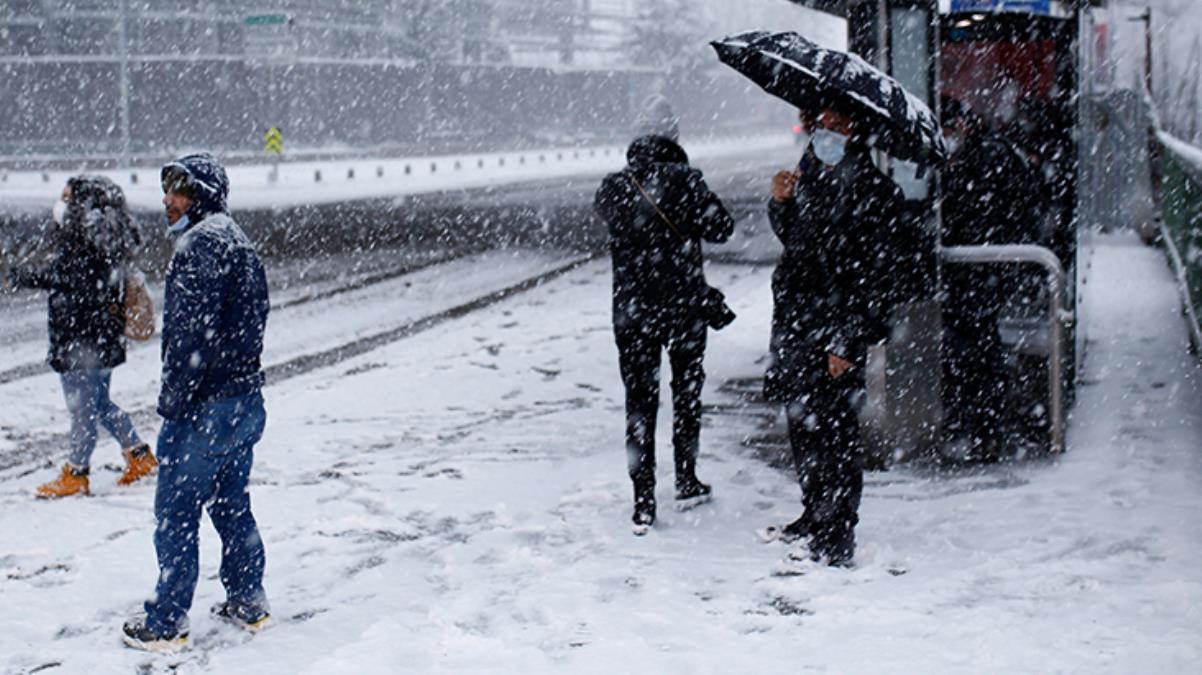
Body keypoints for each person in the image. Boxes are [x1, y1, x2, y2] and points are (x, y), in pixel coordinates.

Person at [123, 153, 271, 652]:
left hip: (205, 407)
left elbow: (189, 341)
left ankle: (166, 623)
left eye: (179, 191)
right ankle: (249, 600)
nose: (167, 200)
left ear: (202, 194)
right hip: (244, 400)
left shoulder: (199, 246)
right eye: (167, 189)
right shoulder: (237, 241)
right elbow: (251, 325)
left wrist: (175, 405)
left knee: (177, 513)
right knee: (231, 504)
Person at [763, 105, 906, 566]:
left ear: (855, 132)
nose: (828, 133)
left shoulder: (871, 188)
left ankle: (838, 532)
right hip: (798, 325)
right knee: (804, 427)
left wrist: (846, 340)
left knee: (837, 434)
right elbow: (798, 244)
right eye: (823, 124)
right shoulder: (809, 174)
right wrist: (780, 203)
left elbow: (873, 275)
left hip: (835, 328)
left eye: (840, 126)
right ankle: (814, 512)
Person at [594, 130, 734, 534]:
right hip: (684, 308)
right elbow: (721, 228)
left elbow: (613, 221)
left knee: (639, 403)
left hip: (633, 312)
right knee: (687, 394)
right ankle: (687, 478)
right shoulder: (688, 181)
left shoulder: (614, 187)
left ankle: (643, 500)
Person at [5, 175, 155, 498]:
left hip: (81, 343)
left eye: (67, 197)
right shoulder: (105, 240)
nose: (61, 203)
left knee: (83, 411)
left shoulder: (81, 244)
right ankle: (139, 455)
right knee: (99, 404)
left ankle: (76, 473)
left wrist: (18, 276)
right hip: (101, 340)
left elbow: (66, 279)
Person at [940, 98, 1042, 459]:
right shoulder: (990, 154)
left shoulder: (986, 159)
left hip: (980, 270)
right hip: (981, 272)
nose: (948, 138)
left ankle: (978, 426)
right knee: (977, 345)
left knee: (975, 347)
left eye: (950, 130)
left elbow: (977, 212)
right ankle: (980, 425)